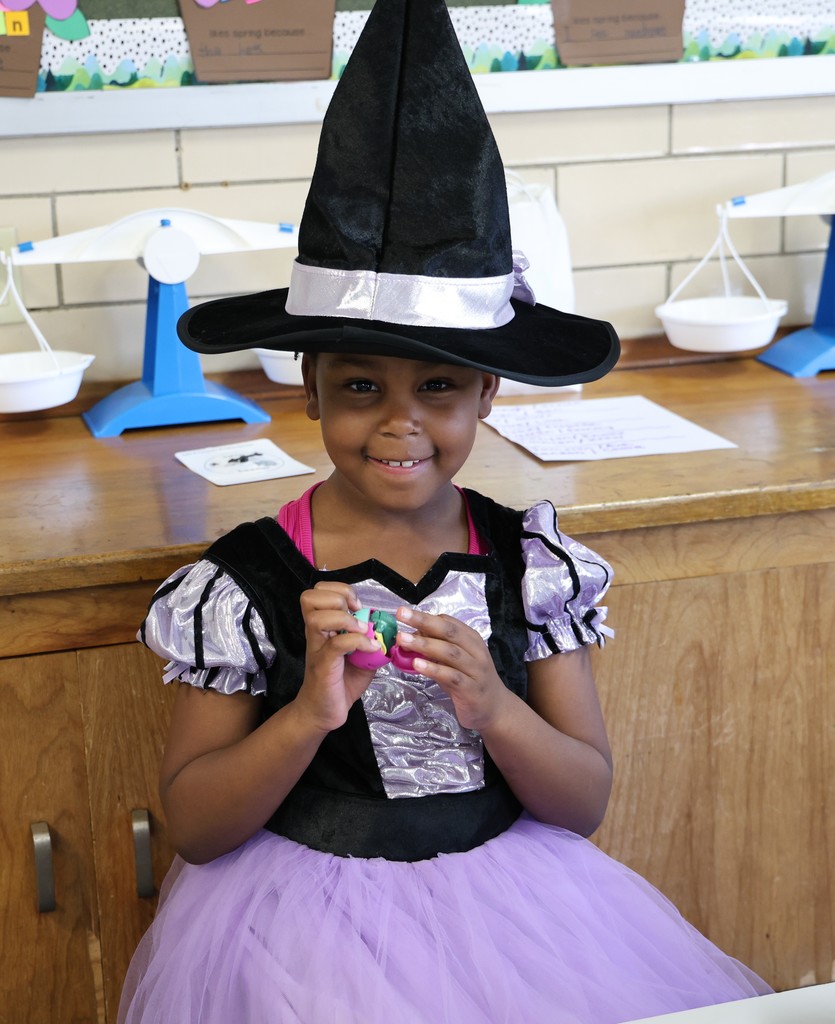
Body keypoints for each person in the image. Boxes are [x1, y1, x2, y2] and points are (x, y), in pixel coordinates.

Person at [119, 1, 772, 1021]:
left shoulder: (529, 563)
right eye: (360, 386)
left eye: (437, 387)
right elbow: (197, 828)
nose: (400, 423)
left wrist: (493, 706)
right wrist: (308, 714)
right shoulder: (243, 584)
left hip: (521, 927)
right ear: (310, 387)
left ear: (486, 394)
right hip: (300, 942)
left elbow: (582, 802)